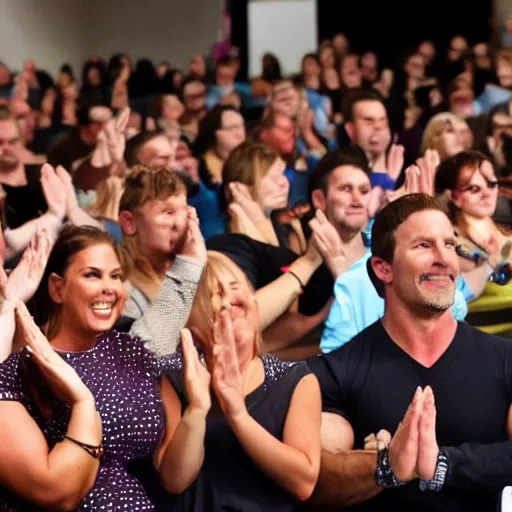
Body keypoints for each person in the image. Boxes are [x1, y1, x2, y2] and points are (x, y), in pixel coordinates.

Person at [306, 193, 512, 511]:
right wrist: (386, 467)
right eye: (423, 246)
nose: (444, 259)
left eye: (450, 245)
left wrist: (440, 464)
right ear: (384, 269)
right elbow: (314, 481)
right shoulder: (335, 371)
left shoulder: (505, 359)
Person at [0, 224, 206, 510]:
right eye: (92, 275)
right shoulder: (28, 362)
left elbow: (175, 478)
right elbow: (52, 490)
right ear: (58, 288)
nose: (109, 288)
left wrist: (197, 410)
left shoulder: (134, 351)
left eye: (116, 276)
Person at [160, 251, 322, 511]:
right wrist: (197, 409)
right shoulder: (174, 376)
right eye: (214, 293)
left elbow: (303, 482)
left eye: (235, 287)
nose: (228, 300)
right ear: (193, 315)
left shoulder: (295, 380)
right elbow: (173, 481)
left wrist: (238, 414)